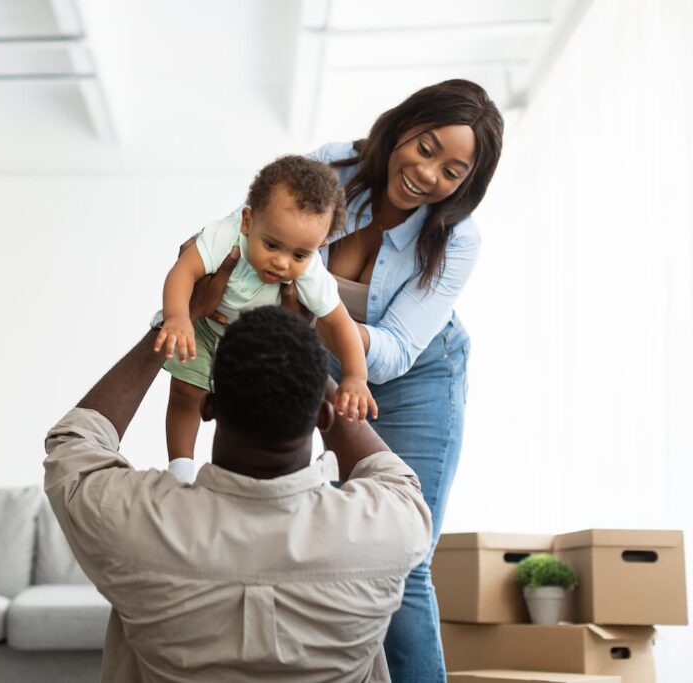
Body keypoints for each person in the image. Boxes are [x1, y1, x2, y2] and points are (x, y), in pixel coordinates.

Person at [191, 79, 504, 681]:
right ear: (405, 125)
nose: (427, 173)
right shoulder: (328, 167)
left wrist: (327, 320)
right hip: (320, 352)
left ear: (466, 184)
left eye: (452, 170)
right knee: (324, 545)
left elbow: (396, 349)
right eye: (426, 146)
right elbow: (240, 241)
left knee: (404, 553)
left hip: (420, 371)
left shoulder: (457, 238)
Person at [44, 305, 432, 682]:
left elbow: (73, 441)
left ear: (208, 408)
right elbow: (390, 475)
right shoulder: (385, 527)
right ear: (325, 417)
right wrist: (309, 355)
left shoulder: (137, 521)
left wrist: (177, 316)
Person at [155, 155, 377, 484]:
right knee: (186, 393)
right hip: (204, 329)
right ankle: (180, 470)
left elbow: (340, 323)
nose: (282, 263)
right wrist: (177, 317)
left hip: (255, 345)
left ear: (320, 246)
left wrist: (356, 376)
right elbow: (184, 272)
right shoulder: (224, 237)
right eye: (271, 244)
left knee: (268, 403)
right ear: (248, 222)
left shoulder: (312, 271)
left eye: (300, 254)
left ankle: (293, 475)